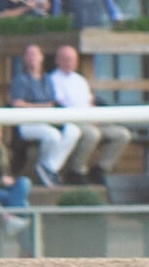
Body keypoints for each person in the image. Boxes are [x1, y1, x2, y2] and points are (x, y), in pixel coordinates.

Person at [46, 43, 130, 184]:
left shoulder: (80, 80)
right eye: (65, 59)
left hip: (91, 118)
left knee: (121, 134)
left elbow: (90, 101)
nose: (69, 63)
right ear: (57, 61)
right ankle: (76, 171)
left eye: (72, 59)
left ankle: (100, 169)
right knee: (92, 134)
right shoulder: (52, 80)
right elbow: (61, 105)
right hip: (72, 120)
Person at [8, 42, 69, 185]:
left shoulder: (47, 79)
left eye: (35, 54)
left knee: (73, 131)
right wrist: (41, 106)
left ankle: (49, 167)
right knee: (53, 136)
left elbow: (53, 102)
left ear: (41, 57)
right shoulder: (20, 79)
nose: (32, 58)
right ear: (24, 58)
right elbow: (17, 103)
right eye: (29, 54)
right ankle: (45, 167)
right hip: (27, 124)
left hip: (47, 120)